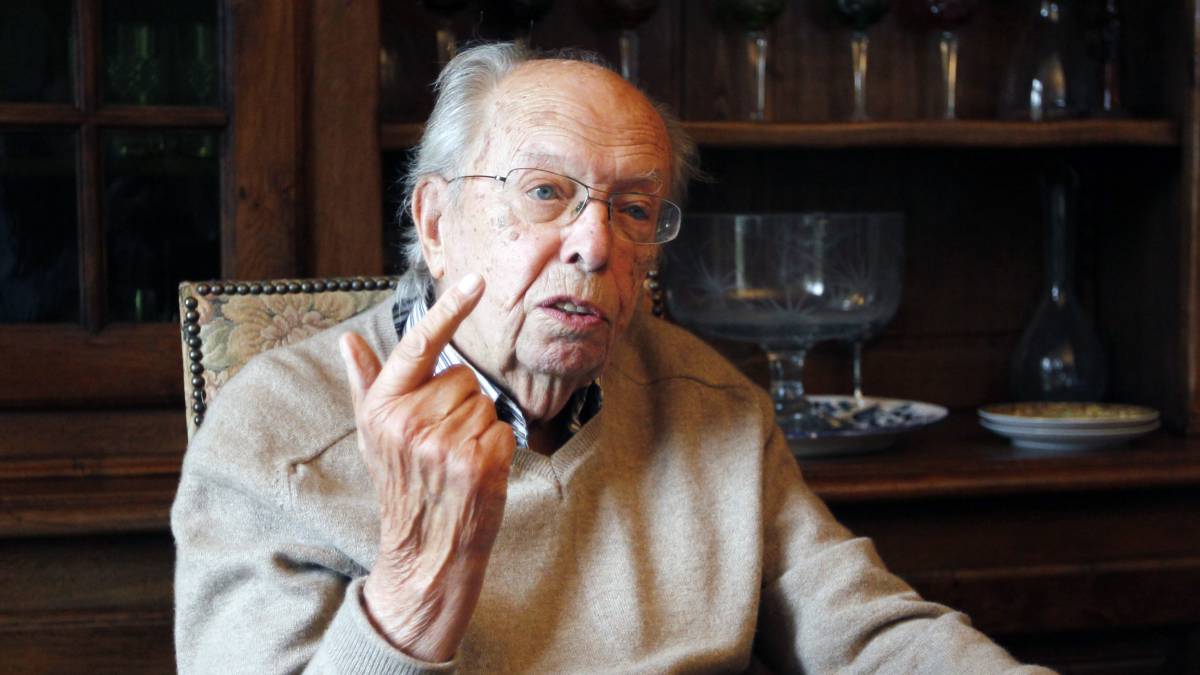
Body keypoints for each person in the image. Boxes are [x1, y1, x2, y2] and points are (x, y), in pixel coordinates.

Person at [172, 43, 1054, 674]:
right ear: (436, 222)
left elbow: (865, 633)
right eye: (545, 192)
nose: (595, 244)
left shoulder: (708, 399)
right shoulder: (277, 433)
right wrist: (412, 591)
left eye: (634, 209)